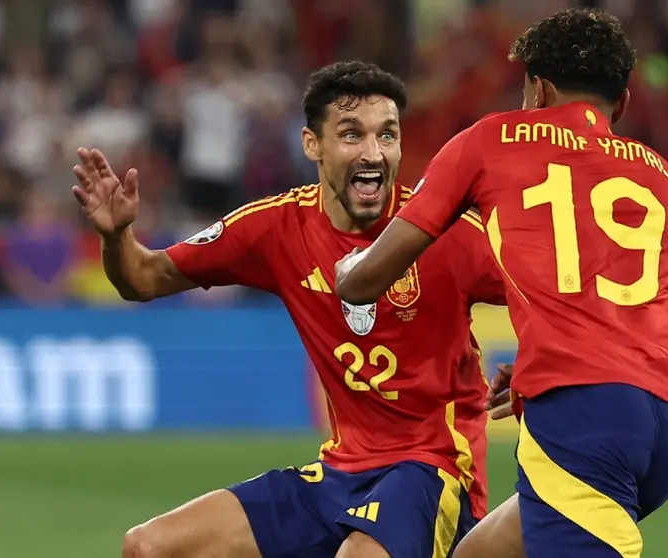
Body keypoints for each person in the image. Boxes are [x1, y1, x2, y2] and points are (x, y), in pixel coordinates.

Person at [71, 61, 507, 558]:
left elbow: (557, 292)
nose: (373, 152)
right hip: (341, 471)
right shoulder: (276, 228)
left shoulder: (446, 234)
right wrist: (116, 236)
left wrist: (536, 365)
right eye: (351, 134)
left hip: (434, 468)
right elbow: (144, 278)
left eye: (387, 135)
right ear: (311, 145)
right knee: (149, 547)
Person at [334, 9, 668, 558]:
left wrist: (345, 270)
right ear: (622, 103)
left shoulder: (490, 140)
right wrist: (555, 365)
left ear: (538, 90)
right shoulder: (666, 177)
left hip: (584, 423)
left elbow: (370, 278)